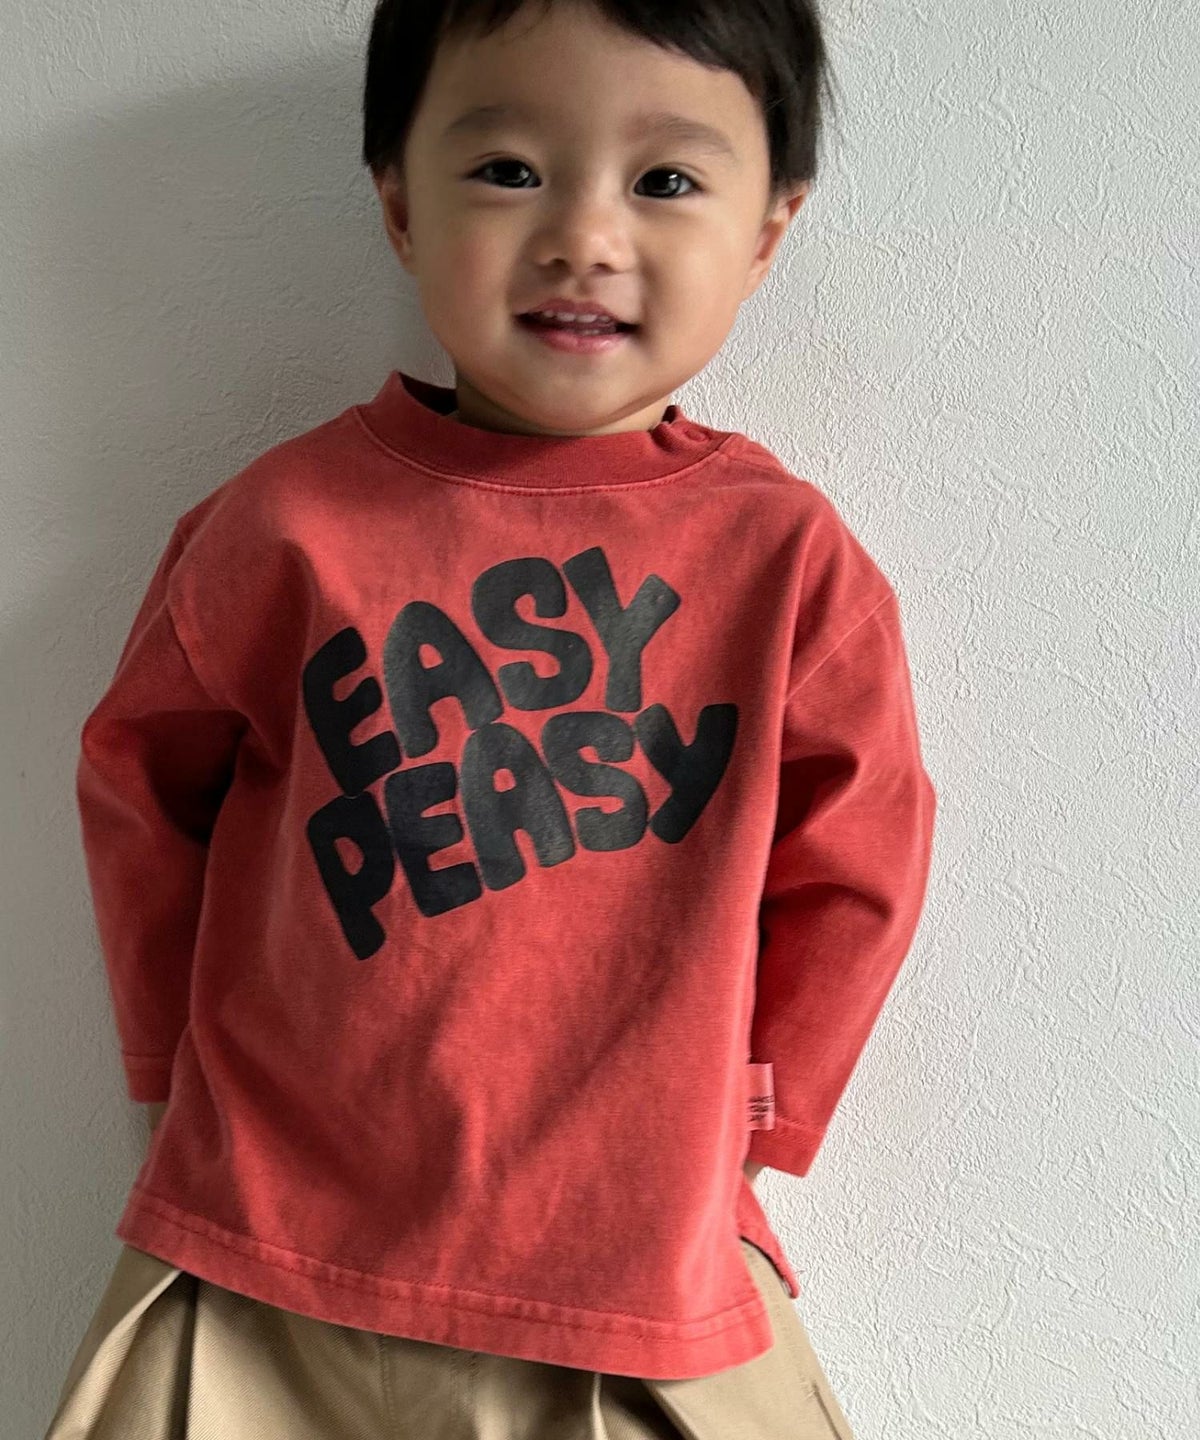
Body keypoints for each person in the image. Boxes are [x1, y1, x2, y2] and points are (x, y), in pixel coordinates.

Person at [44, 1, 936, 1436]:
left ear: (770, 230)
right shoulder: (280, 528)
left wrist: (760, 1117)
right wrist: (163, 1076)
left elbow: (862, 851)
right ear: (400, 204)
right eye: (511, 170)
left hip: (632, 1280)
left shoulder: (784, 562)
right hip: (267, 1253)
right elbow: (141, 787)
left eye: (665, 179)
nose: (585, 235)